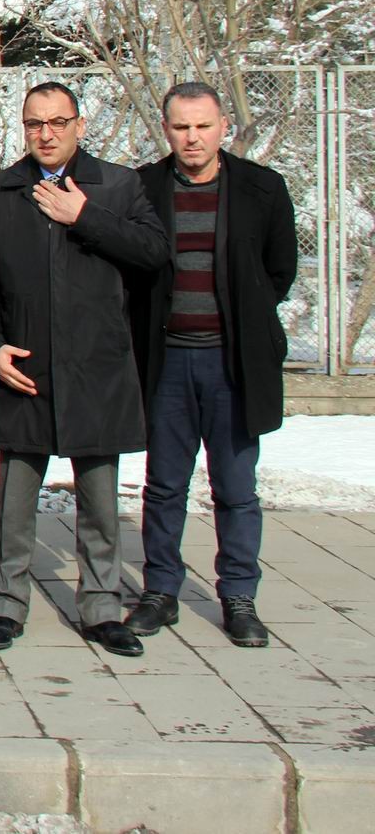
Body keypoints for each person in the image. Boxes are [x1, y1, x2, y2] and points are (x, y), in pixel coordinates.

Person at [0, 82, 167, 657]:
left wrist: (85, 216)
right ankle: (7, 606)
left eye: (58, 122)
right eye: (35, 123)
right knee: (14, 499)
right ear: (23, 127)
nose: (46, 134)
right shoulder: (1, 191)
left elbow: (154, 253)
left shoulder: (119, 185)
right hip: (26, 369)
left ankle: (103, 607)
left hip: (97, 368)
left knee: (101, 500)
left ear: (80, 125)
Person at [125, 83, 296, 649]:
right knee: (164, 484)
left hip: (233, 364)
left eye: (202, 126)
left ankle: (239, 596)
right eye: (180, 127)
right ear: (165, 128)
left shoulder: (262, 189)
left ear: (224, 125)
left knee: (236, 487)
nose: (191, 137)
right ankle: (160, 591)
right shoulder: (144, 188)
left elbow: (279, 272)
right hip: (168, 360)